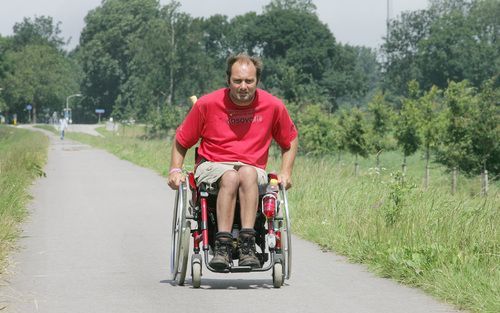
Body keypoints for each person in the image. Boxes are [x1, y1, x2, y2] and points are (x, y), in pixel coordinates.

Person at [168, 53, 298, 270]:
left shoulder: (273, 106)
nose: (243, 86)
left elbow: (290, 139)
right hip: (213, 164)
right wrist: (175, 169)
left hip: (252, 167)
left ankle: (247, 244)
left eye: (249, 81)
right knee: (230, 176)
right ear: (228, 80)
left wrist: (286, 172)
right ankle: (223, 245)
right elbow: (182, 140)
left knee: (246, 173)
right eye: (237, 81)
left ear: (257, 81)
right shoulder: (207, 104)